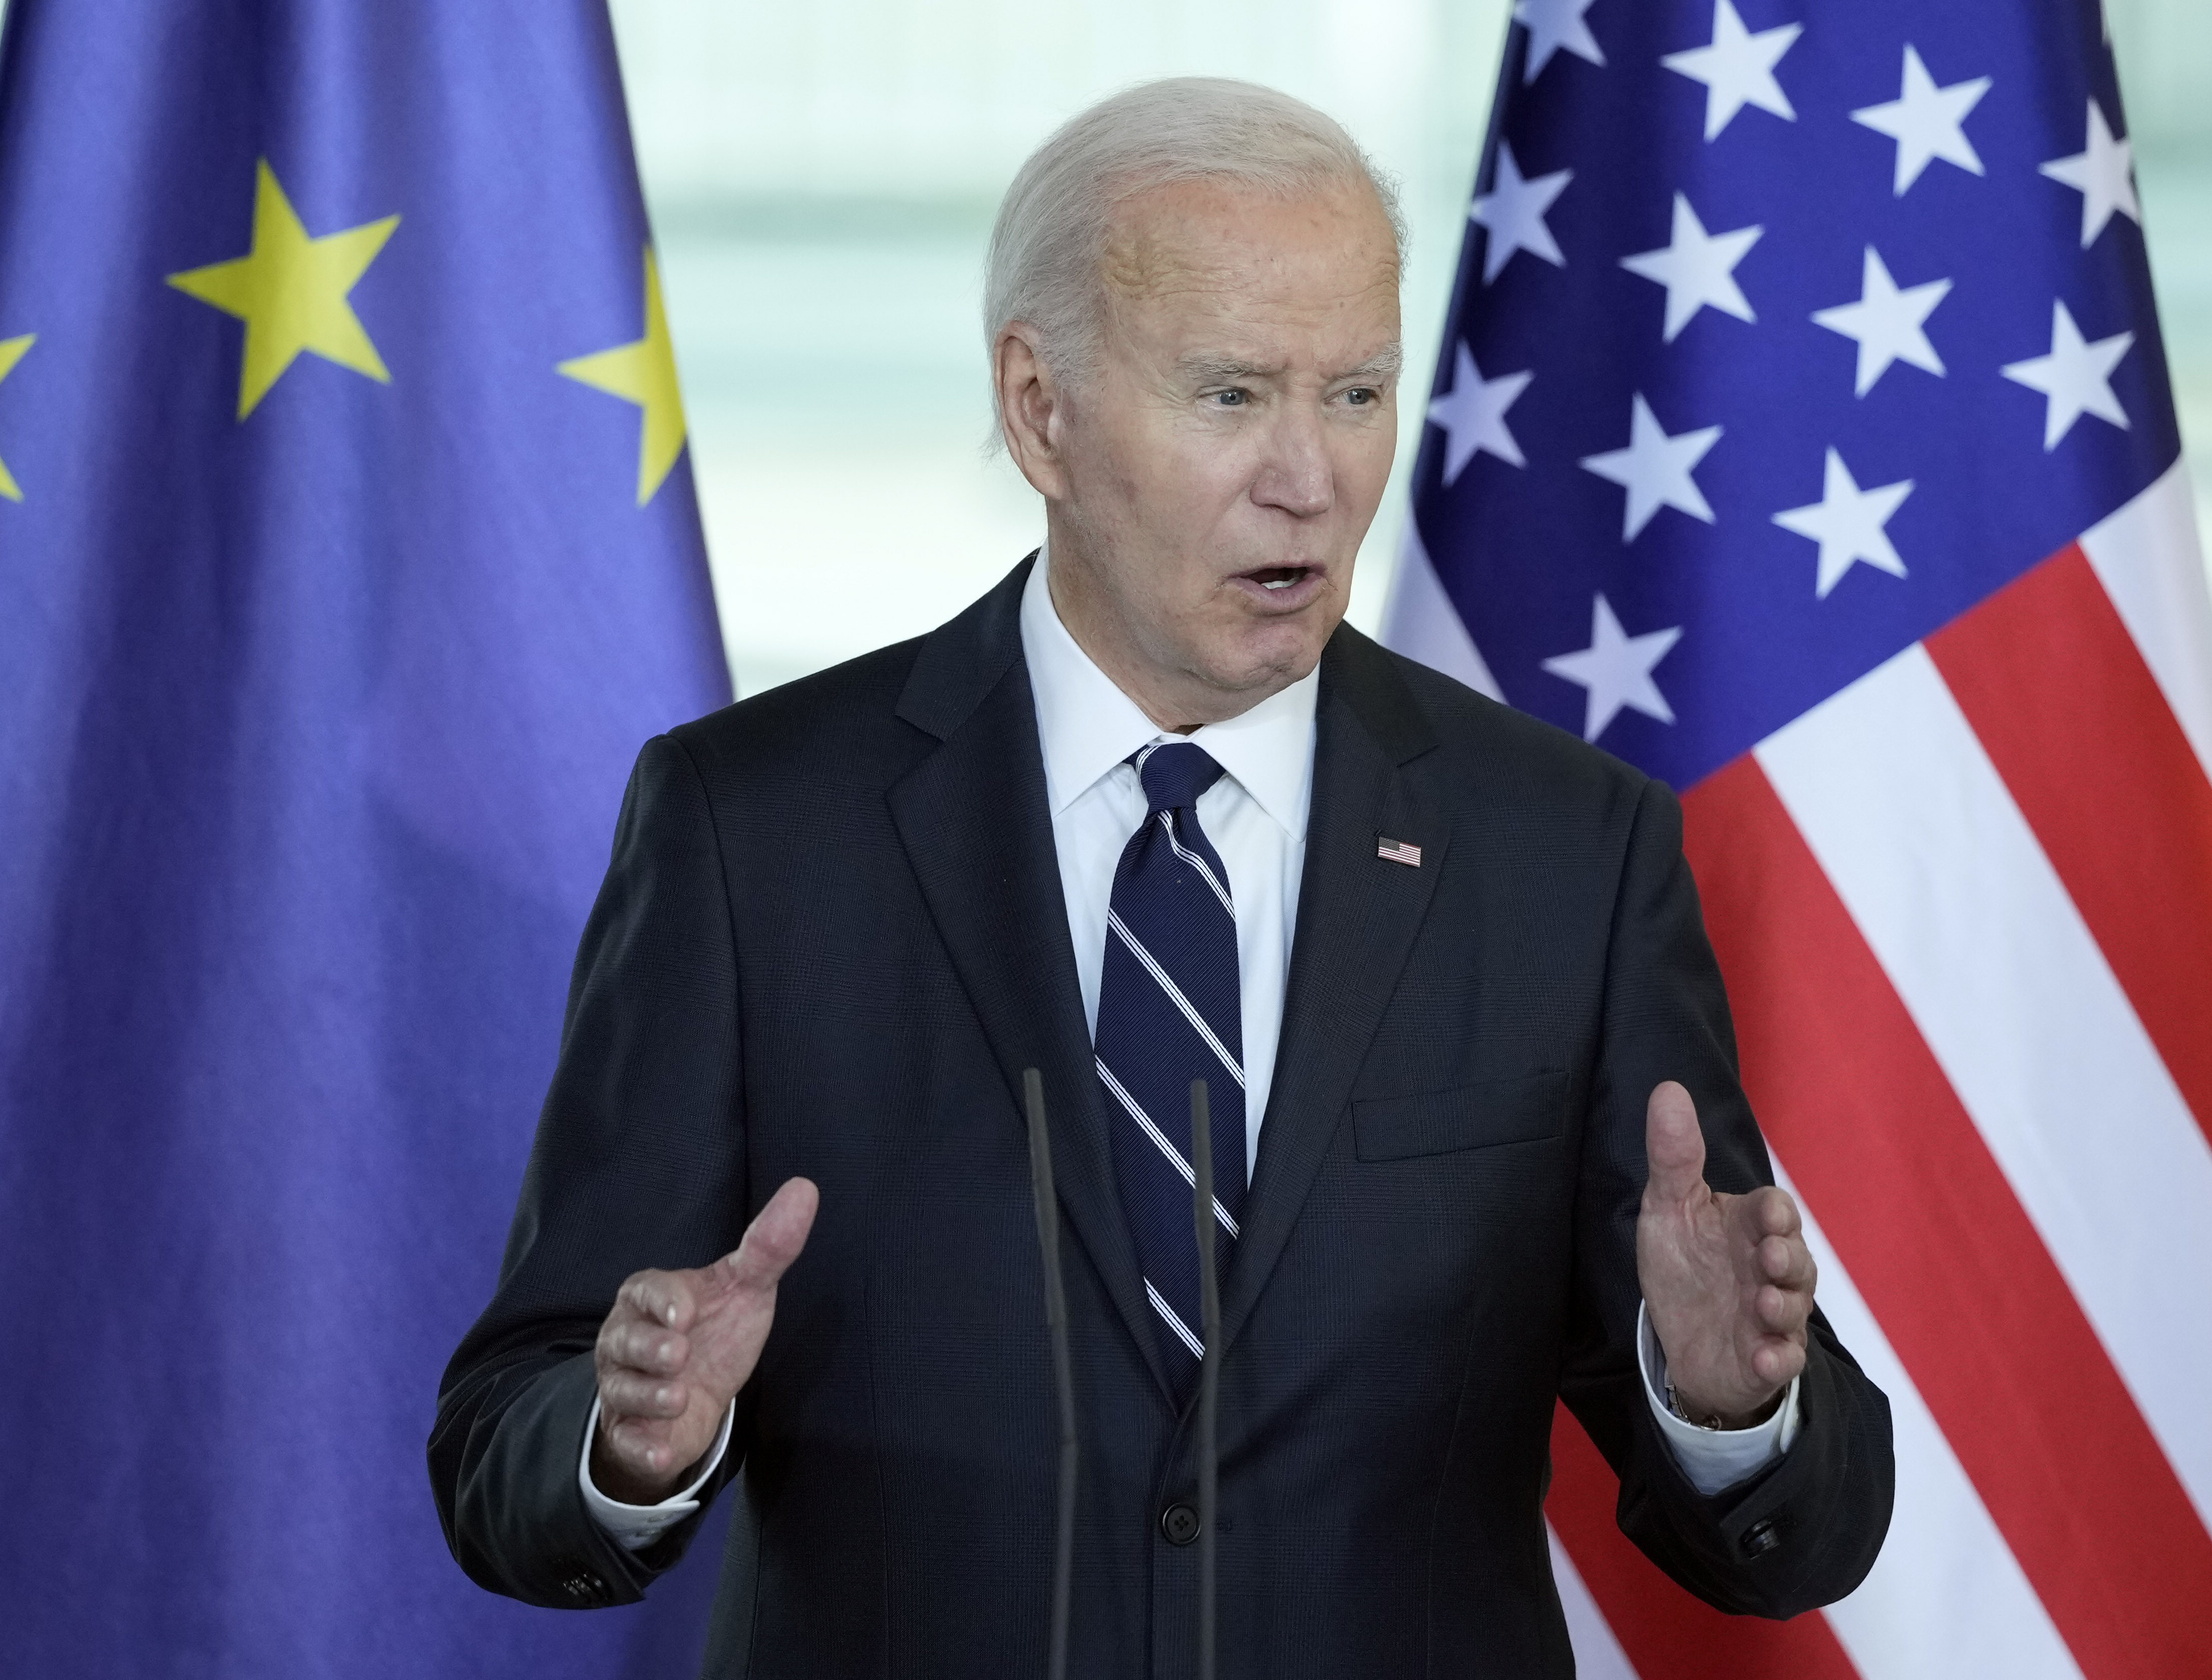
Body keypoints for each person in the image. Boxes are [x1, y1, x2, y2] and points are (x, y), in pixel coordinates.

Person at [431, 77, 1893, 1677]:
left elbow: (1794, 1541)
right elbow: (509, 1444)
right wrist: (629, 1435)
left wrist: (1728, 1399)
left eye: (1353, 393)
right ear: (1038, 408)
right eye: (1230, 396)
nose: (1310, 477)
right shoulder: (754, 830)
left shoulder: (1566, 850)